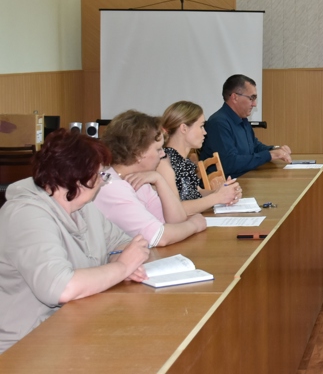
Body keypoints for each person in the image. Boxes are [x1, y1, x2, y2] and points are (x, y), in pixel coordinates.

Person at [0, 130, 149, 354]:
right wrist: (122, 267)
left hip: (74, 328)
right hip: (27, 346)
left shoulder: (82, 207)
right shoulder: (26, 215)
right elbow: (61, 288)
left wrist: (120, 259)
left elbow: (124, 243)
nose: (101, 181)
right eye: (99, 175)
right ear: (78, 178)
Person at [95, 110, 207, 247]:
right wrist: (194, 225)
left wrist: (159, 180)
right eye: (158, 149)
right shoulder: (111, 185)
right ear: (138, 153)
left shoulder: (140, 179)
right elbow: (160, 237)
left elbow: (177, 221)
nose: (163, 154)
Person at [158, 101, 242, 215]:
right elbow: (176, 209)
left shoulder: (182, 160)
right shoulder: (164, 164)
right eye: (201, 126)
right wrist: (217, 197)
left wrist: (222, 193)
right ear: (184, 128)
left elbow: (196, 193)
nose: (205, 132)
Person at [200, 74, 292, 177]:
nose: (255, 104)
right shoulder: (218, 123)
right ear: (235, 97)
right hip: (224, 187)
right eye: (251, 98)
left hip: (244, 180)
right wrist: (269, 155)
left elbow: (255, 147)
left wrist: (275, 149)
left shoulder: (242, 119)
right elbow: (229, 163)